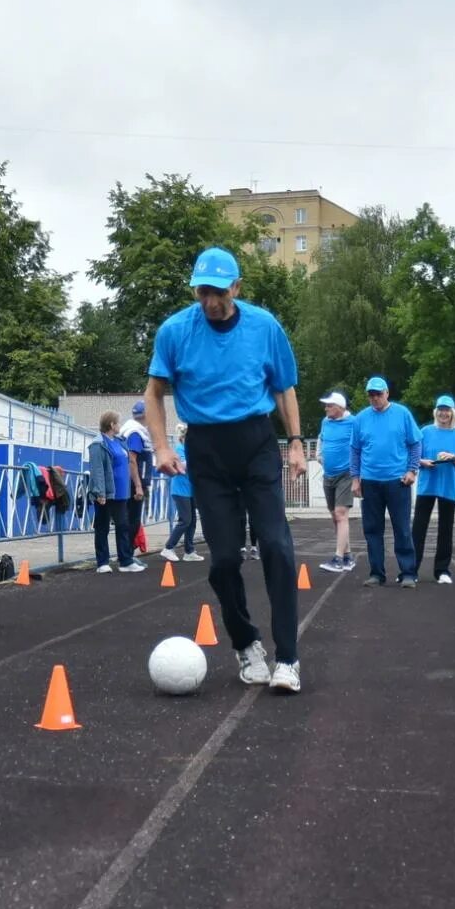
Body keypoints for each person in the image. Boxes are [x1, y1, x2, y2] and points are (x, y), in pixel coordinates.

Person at [144, 247, 306, 693]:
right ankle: (246, 643)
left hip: (256, 443)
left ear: (236, 288)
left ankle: (288, 659)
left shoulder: (264, 326)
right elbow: (155, 393)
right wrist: (160, 446)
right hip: (208, 450)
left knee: (276, 545)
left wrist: (295, 442)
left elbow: (284, 387)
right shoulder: (175, 331)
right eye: (203, 292)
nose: (211, 301)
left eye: (218, 292)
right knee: (225, 561)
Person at [351, 376, 422, 588]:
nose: (374, 398)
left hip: (397, 481)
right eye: (371, 394)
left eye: (378, 394)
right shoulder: (361, 418)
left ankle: (408, 572)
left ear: (387, 393)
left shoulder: (402, 414)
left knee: (402, 528)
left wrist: (412, 470)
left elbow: (415, 443)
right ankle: (376, 573)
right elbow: (355, 450)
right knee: (372, 529)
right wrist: (355, 479)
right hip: (370, 481)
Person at [411, 394, 455, 584]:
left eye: (447, 410)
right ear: (436, 412)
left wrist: (452, 457)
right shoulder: (425, 431)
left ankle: (442, 570)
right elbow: (415, 456)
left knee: (446, 529)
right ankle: (411, 569)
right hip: (427, 486)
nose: (444, 413)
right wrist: (422, 462)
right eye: (441, 410)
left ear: (453, 413)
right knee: (418, 528)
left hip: (448, 487)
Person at [88, 410, 142, 573]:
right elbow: (97, 469)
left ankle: (125, 561)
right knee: (102, 526)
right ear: (111, 425)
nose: (120, 425)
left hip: (121, 493)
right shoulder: (98, 444)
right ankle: (102, 562)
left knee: (123, 525)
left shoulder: (120, 442)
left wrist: (135, 484)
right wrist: (100, 492)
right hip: (106, 492)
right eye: (118, 423)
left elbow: (128, 463)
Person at [316, 390, 358, 572]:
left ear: (340, 407)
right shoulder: (325, 422)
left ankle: (338, 559)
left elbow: (360, 445)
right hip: (329, 474)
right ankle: (348, 557)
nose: (326, 408)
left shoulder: (354, 422)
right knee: (335, 517)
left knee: (341, 514)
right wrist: (319, 454)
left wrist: (359, 474)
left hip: (346, 474)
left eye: (329, 405)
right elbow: (321, 438)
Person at [160, 422, 203, 562]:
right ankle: (168, 548)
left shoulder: (189, 449)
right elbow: (182, 466)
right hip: (180, 489)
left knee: (192, 520)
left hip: (190, 489)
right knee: (185, 520)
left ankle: (189, 551)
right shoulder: (179, 449)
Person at [120, 400, 153, 556]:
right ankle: (126, 557)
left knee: (130, 519)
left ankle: (126, 555)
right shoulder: (136, 433)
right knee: (132, 519)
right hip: (134, 483)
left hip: (130, 481)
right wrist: (139, 485)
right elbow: (132, 460)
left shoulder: (130, 429)